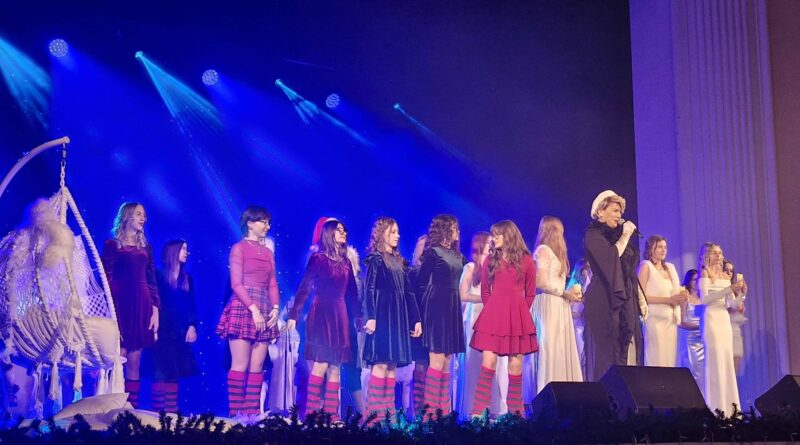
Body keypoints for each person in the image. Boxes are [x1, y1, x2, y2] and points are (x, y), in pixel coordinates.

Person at [286, 220, 359, 420]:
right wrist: (294, 315)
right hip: (321, 315)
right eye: (339, 230)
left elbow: (352, 293)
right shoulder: (318, 259)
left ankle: (331, 416)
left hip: (340, 315)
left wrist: (360, 316)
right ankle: (312, 415)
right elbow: (305, 287)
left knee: (335, 367)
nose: (344, 233)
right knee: (321, 364)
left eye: (345, 230)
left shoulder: (346, 262)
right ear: (329, 233)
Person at [216, 206, 281, 417]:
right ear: (250, 223)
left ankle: (252, 414)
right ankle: (237, 415)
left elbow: (272, 283)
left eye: (268, 222)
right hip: (244, 307)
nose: (267, 226)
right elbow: (236, 284)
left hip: (264, 306)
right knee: (240, 364)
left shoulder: (268, 253)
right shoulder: (239, 248)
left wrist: (275, 308)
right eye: (263, 221)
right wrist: (253, 310)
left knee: (257, 366)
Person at [469, 220, 537, 417]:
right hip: (493, 317)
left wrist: (520, 313)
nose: (493, 238)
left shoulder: (527, 261)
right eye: (493, 235)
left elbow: (530, 293)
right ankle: (478, 412)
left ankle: (515, 413)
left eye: (497, 234)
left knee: (515, 366)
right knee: (488, 362)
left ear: (509, 235)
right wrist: (493, 310)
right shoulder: (491, 260)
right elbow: (485, 291)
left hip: (517, 317)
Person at [361, 217, 422, 420]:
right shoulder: (376, 259)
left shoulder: (399, 262)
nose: (397, 235)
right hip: (382, 314)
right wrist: (371, 316)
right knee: (380, 363)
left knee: (391, 365)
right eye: (393, 232)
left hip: (398, 317)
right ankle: (373, 416)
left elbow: (409, 293)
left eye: (397, 232)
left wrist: (416, 319)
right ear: (382, 234)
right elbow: (369, 289)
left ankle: (387, 414)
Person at [101, 202, 160, 408]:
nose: (143, 218)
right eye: (138, 214)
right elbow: (105, 276)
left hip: (141, 303)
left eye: (144, 214)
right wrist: (109, 306)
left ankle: (131, 409)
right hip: (120, 303)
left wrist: (155, 310)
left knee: (135, 359)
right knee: (119, 356)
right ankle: (112, 407)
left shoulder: (146, 248)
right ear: (127, 216)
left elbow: (151, 280)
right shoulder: (113, 244)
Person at [582, 190, 639, 381]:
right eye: (615, 210)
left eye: (620, 212)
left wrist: (640, 299)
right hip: (603, 297)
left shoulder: (619, 235)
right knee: (607, 353)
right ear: (600, 212)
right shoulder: (593, 235)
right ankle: (603, 395)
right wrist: (625, 235)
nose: (619, 215)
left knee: (622, 350)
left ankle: (621, 395)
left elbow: (628, 271)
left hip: (624, 297)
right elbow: (610, 257)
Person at [416, 215, 466, 417]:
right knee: (436, 361)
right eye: (454, 227)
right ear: (445, 229)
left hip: (452, 308)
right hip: (436, 306)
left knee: (447, 362)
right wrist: (420, 316)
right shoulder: (433, 253)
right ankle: (429, 414)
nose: (458, 231)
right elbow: (420, 284)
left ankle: (443, 413)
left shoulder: (458, 256)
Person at [456, 232, 508, 417]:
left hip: (495, 318)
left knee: (496, 364)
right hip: (476, 318)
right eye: (487, 249)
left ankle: (494, 407)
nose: (490, 252)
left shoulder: (496, 268)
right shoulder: (470, 268)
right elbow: (462, 295)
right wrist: (485, 298)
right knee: (475, 363)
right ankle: (474, 409)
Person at [530, 216, 583, 394]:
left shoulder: (554, 253)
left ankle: (563, 391)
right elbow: (540, 282)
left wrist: (569, 293)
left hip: (559, 304)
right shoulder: (543, 250)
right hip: (548, 304)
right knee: (549, 346)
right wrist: (564, 292)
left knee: (559, 347)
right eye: (560, 231)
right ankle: (546, 390)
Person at [697, 243, 747, 416]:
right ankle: (714, 408)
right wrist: (728, 289)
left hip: (724, 320)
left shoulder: (725, 276)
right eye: (715, 253)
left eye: (720, 253)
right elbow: (705, 299)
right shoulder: (705, 273)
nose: (719, 256)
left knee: (726, 362)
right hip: (711, 319)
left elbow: (731, 304)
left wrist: (742, 294)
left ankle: (730, 409)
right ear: (708, 255)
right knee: (715, 361)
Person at [149, 239, 198, 412]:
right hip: (161, 330)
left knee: (175, 371)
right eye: (183, 248)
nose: (186, 252)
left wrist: (192, 326)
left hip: (179, 331)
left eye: (187, 249)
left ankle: (171, 411)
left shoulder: (187, 279)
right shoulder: (158, 276)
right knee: (161, 371)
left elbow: (191, 305)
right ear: (173, 251)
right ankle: (157, 413)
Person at [638, 235, 686, 367]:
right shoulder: (646, 266)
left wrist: (682, 295)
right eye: (659, 247)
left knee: (669, 360)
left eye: (665, 247)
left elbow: (674, 292)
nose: (663, 250)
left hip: (670, 320)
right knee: (656, 358)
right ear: (650, 248)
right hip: (654, 319)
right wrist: (669, 300)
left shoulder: (670, 268)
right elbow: (640, 296)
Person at [678, 269, 704, 389]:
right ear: (689, 281)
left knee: (704, 372)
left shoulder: (702, 297)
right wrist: (699, 326)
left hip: (703, 338)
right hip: (691, 340)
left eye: (698, 279)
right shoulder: (685, 297)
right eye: (694, 279)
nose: (697, 282)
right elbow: (681, 322)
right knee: (693, 370)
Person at [722, 260, 747, 375]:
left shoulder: (734, 291)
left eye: (731, 271)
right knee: (725, 370)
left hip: (735, 331)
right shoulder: (722, 289)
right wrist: (742, 295)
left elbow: (739, 311)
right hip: (725, 330)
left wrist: (741, 293)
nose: (729, 273)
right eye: (726, 270)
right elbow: (730, 306)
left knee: (734, 371)